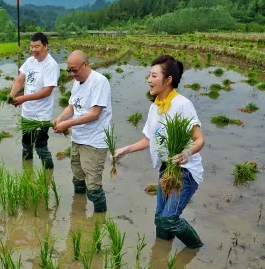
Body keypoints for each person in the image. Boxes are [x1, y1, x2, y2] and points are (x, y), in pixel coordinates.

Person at [114, 54, 204, 249]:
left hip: (185, 171)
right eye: (149, 75)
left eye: (154, 76)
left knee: (169, 219)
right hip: (166, 169)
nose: (149, 80)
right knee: (159, 219)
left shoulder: (182, 104)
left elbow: (199, 140)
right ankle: (161, 256)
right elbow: (149, 139)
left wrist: (186, 153)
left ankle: (196, 248)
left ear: (168, 80)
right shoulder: (155, 108)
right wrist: (126, 149)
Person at [53, 50, 112, 213]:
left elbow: (94, 114)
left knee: (93, 188)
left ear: (86, 64)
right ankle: (78, 211)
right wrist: (60, 119)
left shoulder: (99, 81)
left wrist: (67, 124)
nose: (72, 74)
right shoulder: (77, 82)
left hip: (94, 142)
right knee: (78, 179)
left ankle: (99, 220)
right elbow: (72, 106)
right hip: (78, 139)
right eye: (69, 70)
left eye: (74, 70)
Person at [10, 32, 59, 169]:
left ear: (45, 46)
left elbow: (47, 91)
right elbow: (20, 80)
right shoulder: (30, 61)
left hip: (42, 115)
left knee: (41, 147)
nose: (33, 50)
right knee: (26, 145)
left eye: (36, 46)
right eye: (31, 46)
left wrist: (24, 98)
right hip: (27, 113)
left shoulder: (51, 65)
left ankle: (48, 175)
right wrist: (11, 95)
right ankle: (27, 173)